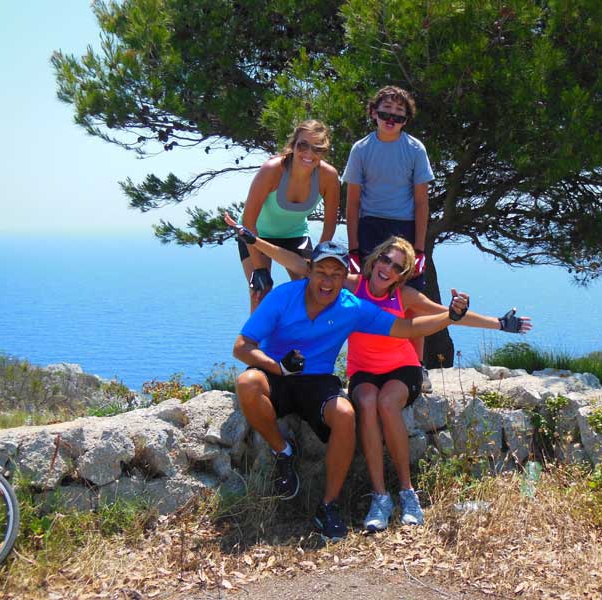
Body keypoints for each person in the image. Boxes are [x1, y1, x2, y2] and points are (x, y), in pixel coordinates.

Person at [225, 218, 533, 533]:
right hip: (349, 372)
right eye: (385, 258)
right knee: (262, 384)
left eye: (397, 266)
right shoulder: (343, 286)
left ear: (404, 274)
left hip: (377, 372)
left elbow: (416, 325)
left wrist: (487, 321)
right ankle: (336, 475)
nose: (388, 267)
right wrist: (254, 241)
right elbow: (297, 265)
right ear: (374, 259)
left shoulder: (369, 303)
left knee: (369, 408)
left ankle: (374, 497)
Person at [342, 86, 435, 390]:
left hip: (406, 229)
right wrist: (354, 248)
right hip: (370, 228)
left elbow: (422, 202)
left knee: (412, 301)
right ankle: (363, 367)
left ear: (406, 119)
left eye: (398, 115)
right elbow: (352, 203)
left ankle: (417, 367)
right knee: (368, 299)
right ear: (373, 114)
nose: (390, 119)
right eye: (384, 113)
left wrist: (420, 248)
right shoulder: (361, 149)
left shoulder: (414, 149)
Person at [237, 119, 340, 313]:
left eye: (317, 148)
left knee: (311, 288)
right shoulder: (272, 170)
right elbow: (248, 222)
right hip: (255, 235)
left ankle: (301, 340)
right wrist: (260, 270)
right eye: (303, 145)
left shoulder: (328, 176)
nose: (309, 153)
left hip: (295, 235)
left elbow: (329, 225)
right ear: (293, 145)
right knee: (260, 290)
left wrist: (318, 261)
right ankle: (253, 342)